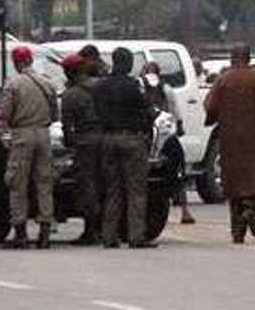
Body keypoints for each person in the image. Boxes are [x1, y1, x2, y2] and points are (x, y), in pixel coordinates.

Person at [203, 44, 255, 244]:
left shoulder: (223, 80)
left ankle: (237, 233)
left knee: (233, 185)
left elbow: (210, 106)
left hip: (229, 140)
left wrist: (215, 118)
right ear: (249, 59)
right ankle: (250, 209)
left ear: (232, 58)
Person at [0, 46, 58, 249]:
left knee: (17, 183)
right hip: (43, 135)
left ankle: (20, 232)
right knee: (44, 183)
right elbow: (55, 114)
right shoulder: (47, 83)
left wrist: (4, 136)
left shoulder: (13, 84)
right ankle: (45, 231)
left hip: (22, 135)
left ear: (15, 62)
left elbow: (3, 114)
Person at [92, 47, 158, 249]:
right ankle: (136, 235)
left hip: (108, 139)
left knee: (113, 189)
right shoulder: (133, 86)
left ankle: (109, 235)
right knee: (135, 189)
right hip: (131, 139)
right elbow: (145, 110)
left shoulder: (100, 87)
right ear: (127, 63)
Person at [139, 62, 195, 225]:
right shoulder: (166, 89)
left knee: (177, 169)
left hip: (150, 136)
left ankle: (184, 209)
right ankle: (184, 209)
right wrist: (179, 126)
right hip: (164, 134)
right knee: (178, 170)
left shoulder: (143, 89)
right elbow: (175, 111)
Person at [61, 54, 103, 246]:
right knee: (105, 184)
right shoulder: (101, 87)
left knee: (87, 187)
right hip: (104, 140)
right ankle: (105, 229)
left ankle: (90, 230)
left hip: (84, 143)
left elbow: (67, 126)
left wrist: (70, 145)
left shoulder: (70, 95)